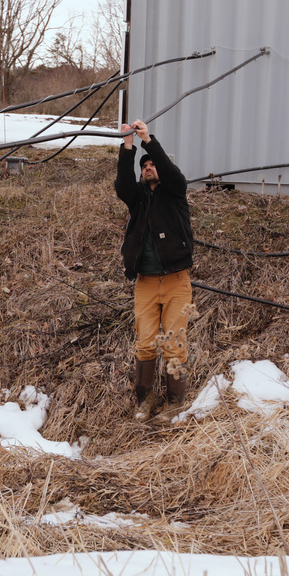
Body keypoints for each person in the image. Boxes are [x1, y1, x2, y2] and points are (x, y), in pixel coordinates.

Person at [114, 119, 195, 422]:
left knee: (174, 344)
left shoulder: (174, 192)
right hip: (145, 283)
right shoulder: (137, 199)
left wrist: (148, 140)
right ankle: (145, 399)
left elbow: (172, 173)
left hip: (176, 281)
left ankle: (176, 401)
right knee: (146, 343)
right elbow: (123, 184)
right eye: (144, 166)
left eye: (152, 165)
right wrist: (127, 145)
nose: (148, 167)